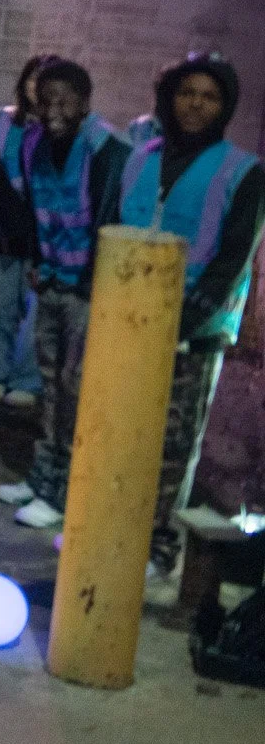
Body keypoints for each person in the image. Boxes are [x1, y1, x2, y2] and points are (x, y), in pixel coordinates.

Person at [109, 53, 264, 577]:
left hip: (192, 334)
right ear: (169, 98)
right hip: (126, 325)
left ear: (224, 107)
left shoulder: (242, 172)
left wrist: (180, 327)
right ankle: (109, 532)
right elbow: (113, 234)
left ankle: (158, 549)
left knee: (172, 448)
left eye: (210, 96)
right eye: (186, 93)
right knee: (120, 433)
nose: (195, 104)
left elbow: (230, 260)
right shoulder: (140, 156)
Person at [0, 60, 127, 531]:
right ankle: (43, 478)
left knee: (75, 393)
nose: (54, 109)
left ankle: (65, 492)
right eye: (47, 100)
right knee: (49, 389)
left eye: (65, 99)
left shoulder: (107, 148)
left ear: (85, 102)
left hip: (88, 292)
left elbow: (112, 218)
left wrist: (94, 285)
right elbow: (35, 209)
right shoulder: (34, 144)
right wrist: (36, 264)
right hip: (50, 282)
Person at [0, 54, 61, 407]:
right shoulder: (3, 122)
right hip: (5, 234)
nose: (37, 87)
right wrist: (10, 223)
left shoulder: (62, 131)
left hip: (46, 238)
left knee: (36, 314)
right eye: (33, 79)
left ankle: (27, 380)